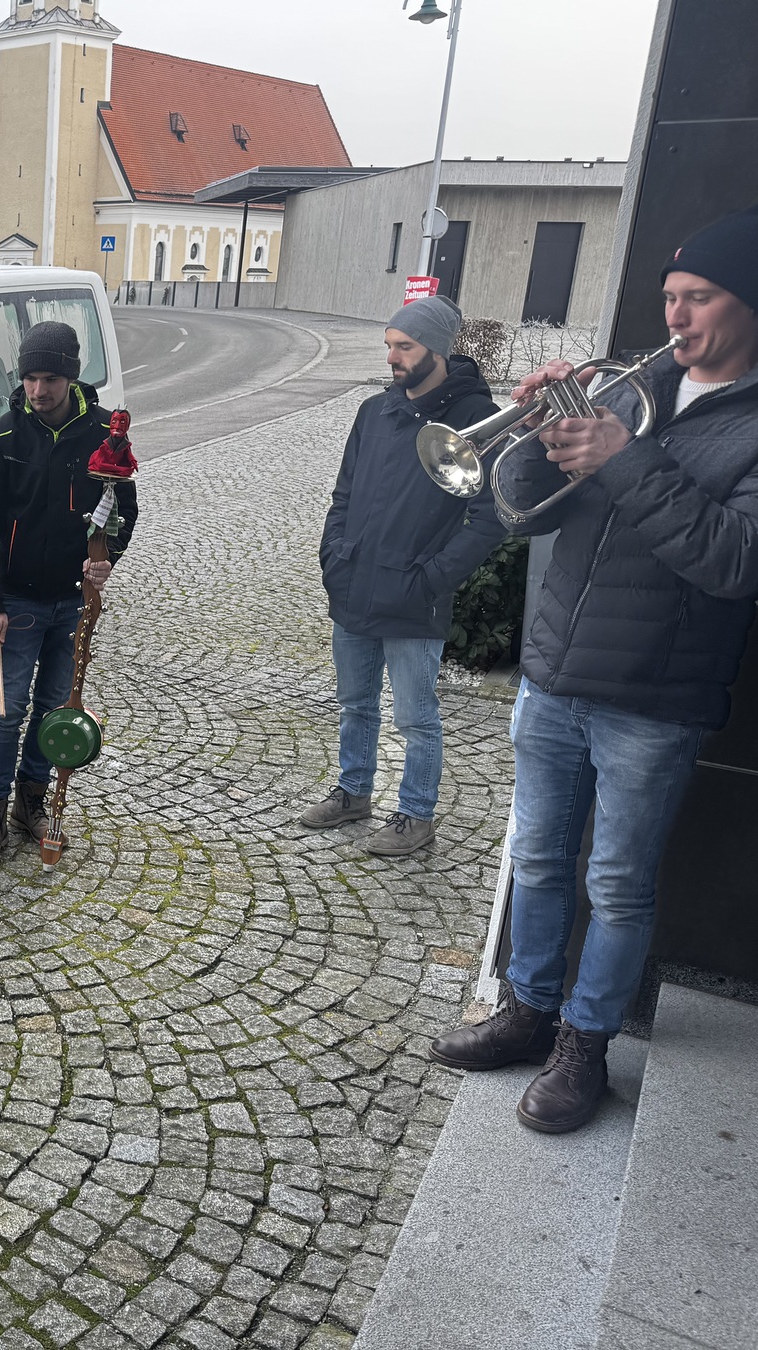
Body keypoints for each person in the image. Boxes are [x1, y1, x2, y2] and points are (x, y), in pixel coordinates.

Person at [430, 206, 758, 1134]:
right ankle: (528, 1010)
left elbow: (733, 561)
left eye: (699, 297)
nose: (676, 317)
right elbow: (526, 512)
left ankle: (585, 1044)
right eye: (670, 296)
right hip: (555, 675)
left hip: (654, 700)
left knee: (616, 884)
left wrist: (626, 456)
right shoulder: (627, 392)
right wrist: (539, 434)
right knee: (536, 860)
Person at [299, 295, 507, 856]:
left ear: (437, 349)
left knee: (415, 718)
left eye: (405, 347)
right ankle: (353, 792)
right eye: (389, 345)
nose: (392, 357)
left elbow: (489, 519)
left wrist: (432, 579)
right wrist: (333, 555)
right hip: (354, 583)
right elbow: (344, 493)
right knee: (355, 703)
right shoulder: (374, 411)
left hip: (415, 596)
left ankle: (416, 815)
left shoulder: (476, 419)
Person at [0, 321, 139, 867]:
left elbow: (124, 510)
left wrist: (107, 558)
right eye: (30, 378)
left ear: (72, 377)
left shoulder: (105, 434)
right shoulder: (2, 437)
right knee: (5, 712)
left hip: (75, 601)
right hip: (17, 601)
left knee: (55, 710)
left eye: (51, 380)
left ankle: (30, 804)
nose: (39, 391)